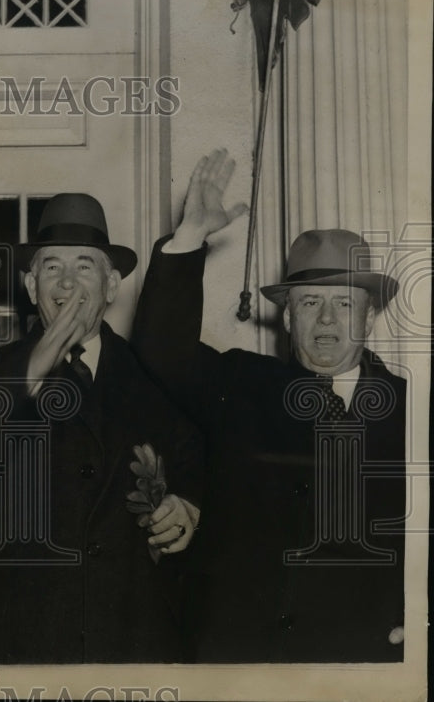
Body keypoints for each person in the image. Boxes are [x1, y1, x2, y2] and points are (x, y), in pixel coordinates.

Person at [131, 148, 405, 662]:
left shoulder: (411, 416)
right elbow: (159, 351)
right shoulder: (240, 385)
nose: (326, 321)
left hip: (354, 668)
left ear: (368, 321)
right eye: (309, 303)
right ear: (286, 318)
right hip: (238, 663)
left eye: (344, 303)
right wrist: (189, 238)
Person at [0, 190, 204, 663]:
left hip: (131, 646)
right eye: (52, 266)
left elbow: (195, 455)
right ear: (31, 287)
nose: (66, 282)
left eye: (84, 266)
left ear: (110, 286)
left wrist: (187, 504)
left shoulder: (153, 373)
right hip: (18, 651)